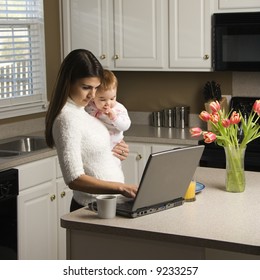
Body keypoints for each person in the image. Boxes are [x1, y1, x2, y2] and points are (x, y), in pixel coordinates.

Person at [45, 49, 137, 212]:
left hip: (108, 204)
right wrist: (121, 188)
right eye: (86, 87)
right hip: (90, 207)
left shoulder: (83, 111)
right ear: (68, 82)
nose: (92, 95)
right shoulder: (66, 118)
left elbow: (91, 154)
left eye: (96, 88)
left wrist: (113, 152)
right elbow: (74, 178)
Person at [85, 69, 131, 153]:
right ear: (93, 96)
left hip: (114, 148)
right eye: (102, 100)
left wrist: (114, 118)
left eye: (112, 98)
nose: (108, 103)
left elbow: (125, 126)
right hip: (95, 147)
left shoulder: (119, 109)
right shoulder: (89, 105)